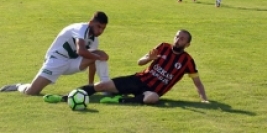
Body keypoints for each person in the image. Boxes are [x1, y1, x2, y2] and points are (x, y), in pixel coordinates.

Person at [43, 29, 209, 104]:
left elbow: (198, 82)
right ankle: (67, 96)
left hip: (153, 90)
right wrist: (149, 58)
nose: (177, 40)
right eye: (177, 36)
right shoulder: (163, 47)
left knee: (153, 98)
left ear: (188, 44)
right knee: (101, 86)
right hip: (138, 80)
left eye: (182, 39)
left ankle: (122, 100)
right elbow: (140, 62)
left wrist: (204, 99)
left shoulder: (187, 61)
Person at [0, 11, 110, 95]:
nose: (100, 31)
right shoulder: (80, 28)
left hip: (72, 63)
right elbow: (80, 50)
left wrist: (90, 86)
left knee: (101, 55)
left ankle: (106, 86)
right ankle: (19, 86)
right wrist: (97, 57)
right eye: (98, 27)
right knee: (32, 92)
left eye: (103, 29)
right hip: (56, 60)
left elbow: (93, 62)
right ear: (91, 23)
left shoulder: (94, 40)